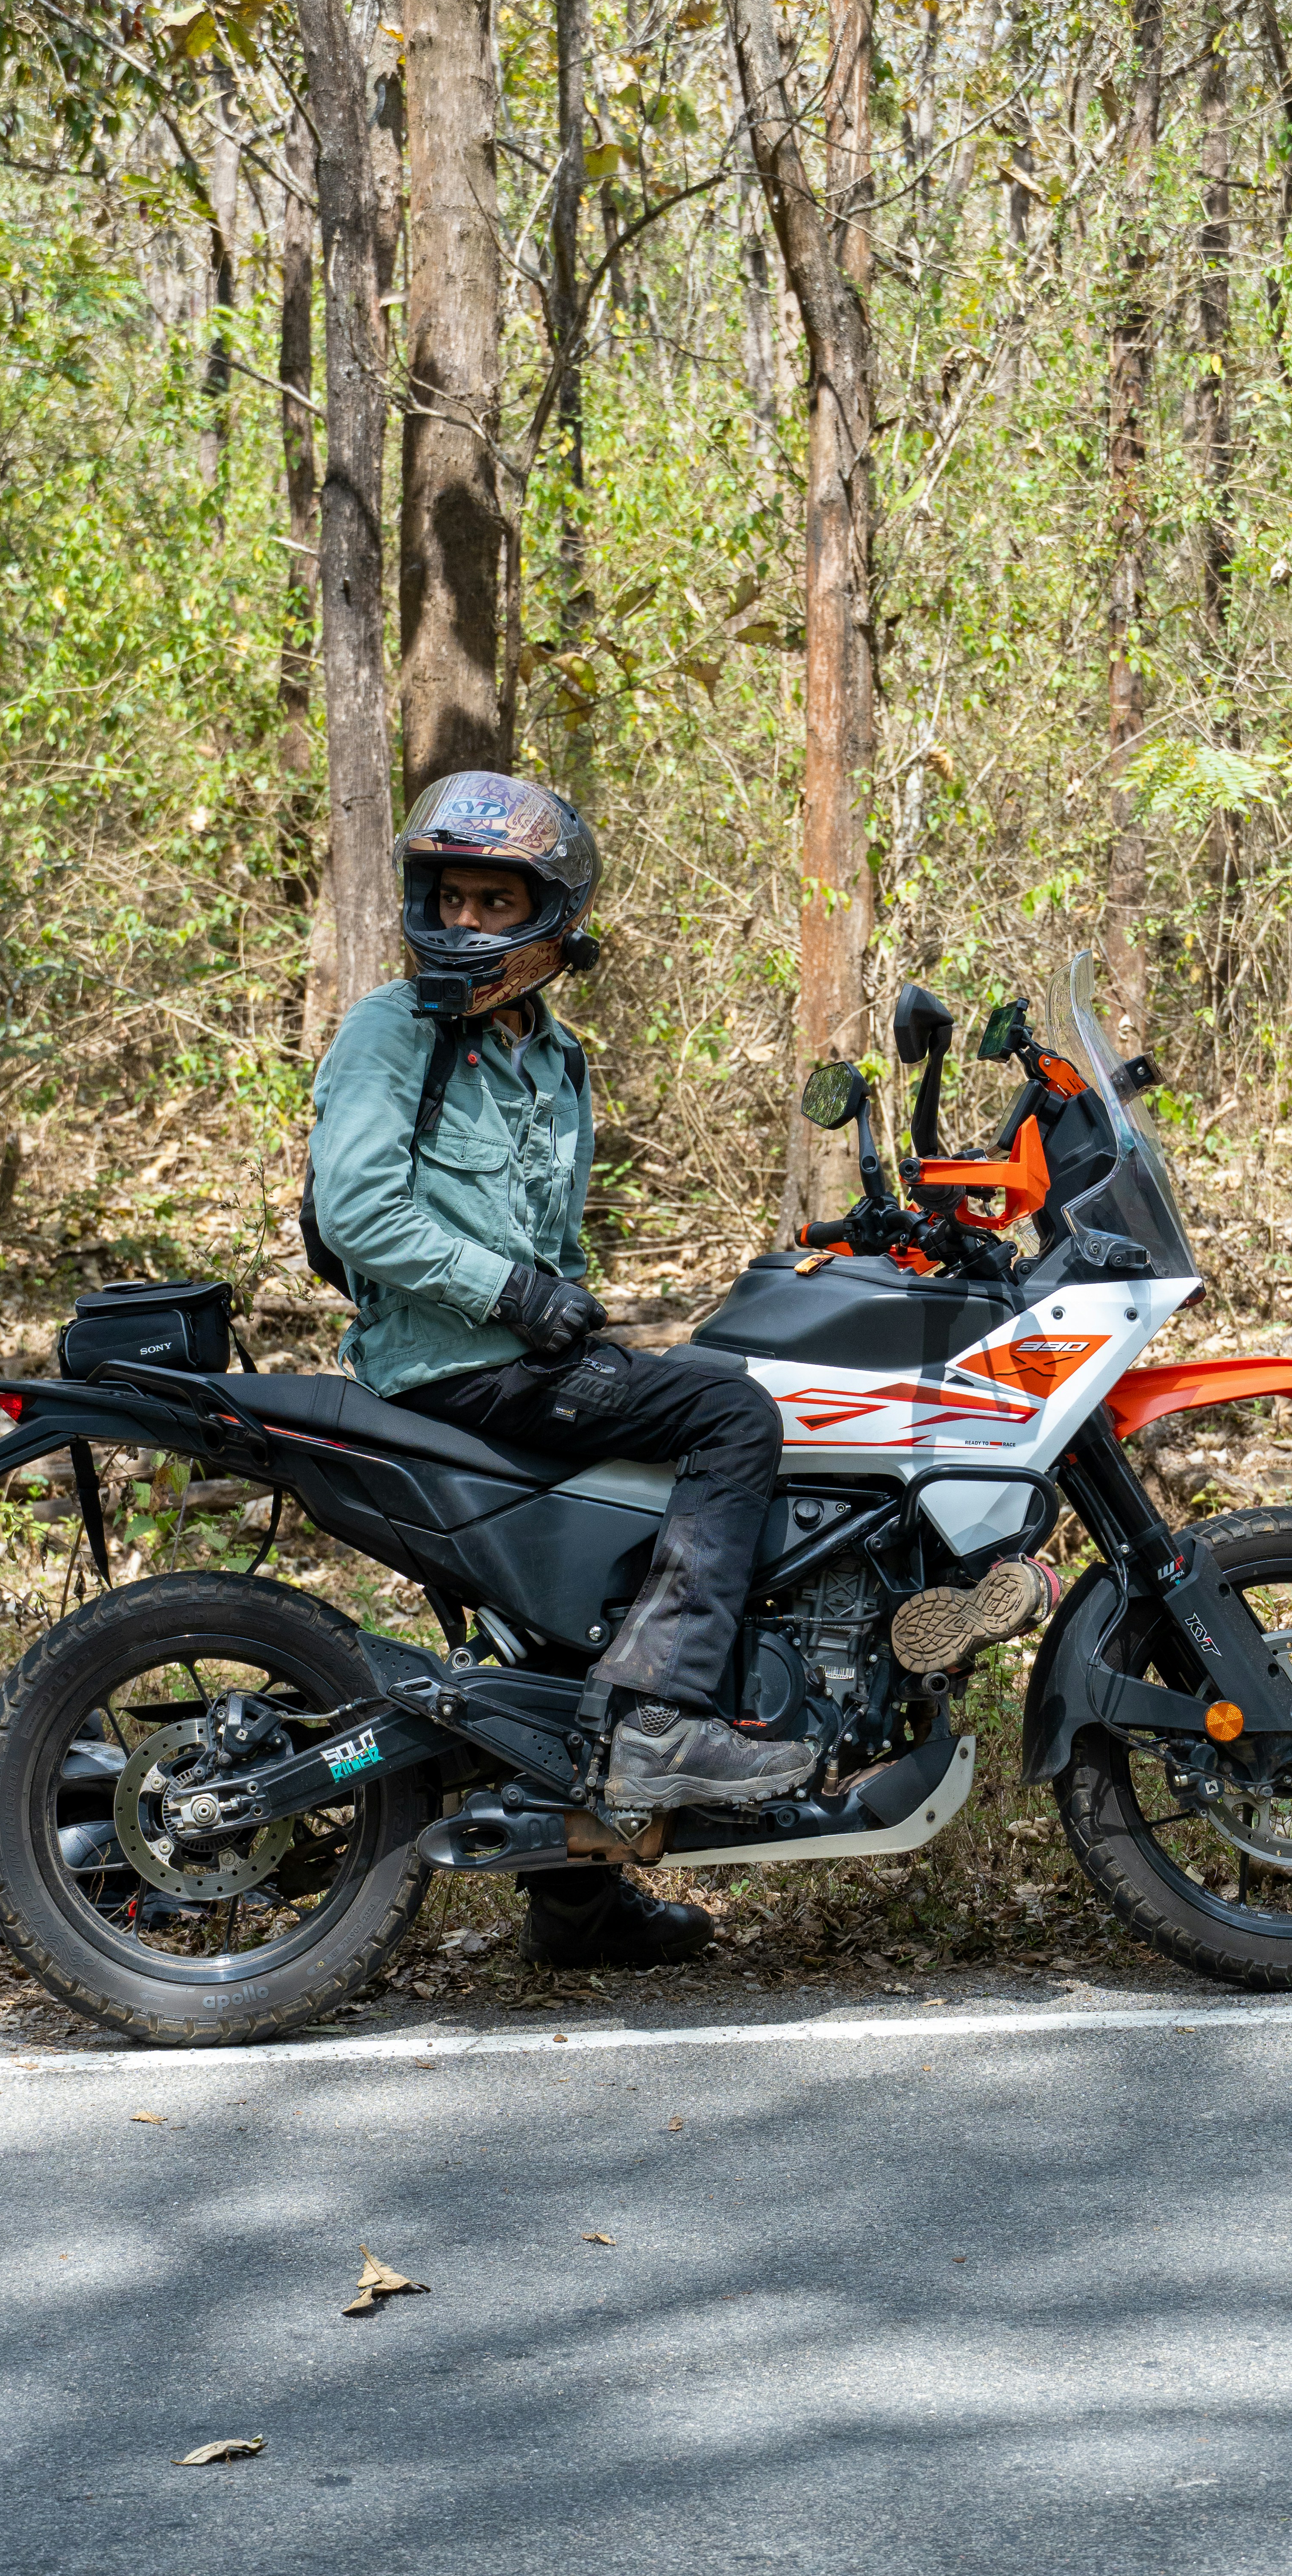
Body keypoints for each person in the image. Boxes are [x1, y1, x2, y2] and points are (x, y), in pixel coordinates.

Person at [307, 771, 814, 1971]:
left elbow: (555, 1238)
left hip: (517, 1354)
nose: (468, 924)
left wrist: (569, 1309)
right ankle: (659, 1724)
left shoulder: (557, 1059)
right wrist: (515, 1298)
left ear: (551, 914)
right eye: (453, 897)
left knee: (607, 1564)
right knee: (732, 1418)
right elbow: (360, 1210)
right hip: (447, 1364)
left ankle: (580, 1909)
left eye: (496, 900)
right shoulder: (394, 1028)